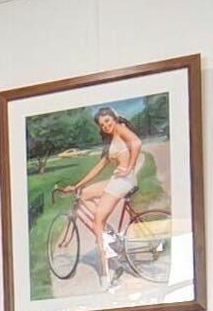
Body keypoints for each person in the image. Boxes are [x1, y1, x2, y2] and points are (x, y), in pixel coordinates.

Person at [46, 107, 147, 273]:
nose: (106, 126)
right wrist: (76, 185)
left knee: (97, 222)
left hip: (123, 180)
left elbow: (136, 143)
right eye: (102, 124)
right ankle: (106, 233)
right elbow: (98, 167)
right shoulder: (110, 140)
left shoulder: (121, 129)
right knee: (85, 193)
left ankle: (107, 268)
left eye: (108, 121)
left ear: (114, 119)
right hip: (117, 180)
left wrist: (129, 168)